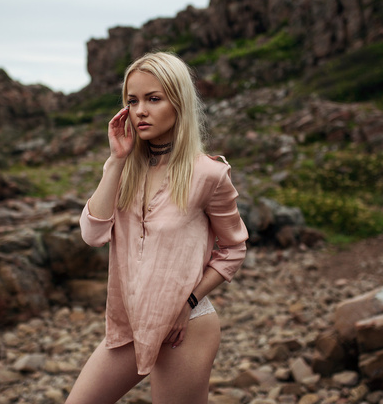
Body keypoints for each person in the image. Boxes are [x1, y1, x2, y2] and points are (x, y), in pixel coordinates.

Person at [66, 52, 249, 404]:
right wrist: (116, 161)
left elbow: (233, 249)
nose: (140, 111)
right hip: (130, 326)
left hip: (186, 328)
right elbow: (92, 235)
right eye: (132, 101)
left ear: (178, 102)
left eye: (153, 99)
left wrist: (188, 302)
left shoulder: (208, 174)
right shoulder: (125, 170)